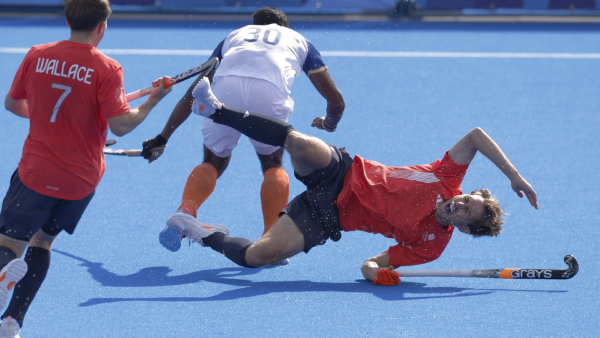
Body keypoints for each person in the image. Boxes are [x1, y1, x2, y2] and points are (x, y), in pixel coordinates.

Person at [164, 78, 539, 286]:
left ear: (465, 228)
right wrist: (514, 176)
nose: (458, 203)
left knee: (255, 258)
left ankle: (197, 230)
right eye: (466, 198)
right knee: (297, 142)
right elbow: (475, 136)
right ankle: (215, 109)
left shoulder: (430, 247)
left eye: (465, 211)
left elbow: (370, 264)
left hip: (329, 216)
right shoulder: (447, 178)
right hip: (342, 170)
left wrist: (379, 276)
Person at [0, 0, 172, 336]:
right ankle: (12, 322)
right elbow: (121, 126)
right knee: (42, 243)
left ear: (67, 19)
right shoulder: (107, 68)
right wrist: (154, 100)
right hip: (80, 182)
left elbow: (13, 103)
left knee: (8, 245)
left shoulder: (37, 54)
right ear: (102, 26)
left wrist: (49, 119)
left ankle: (4, 276)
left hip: (36, 173)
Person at [141, 7, 345, 255]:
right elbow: (336, 102)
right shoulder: (300, 41)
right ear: (286, 27)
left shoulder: (234, 36)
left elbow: (193, 93)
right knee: (272, 162)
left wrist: (163, 137)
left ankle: (186, 211)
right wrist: (328, 124)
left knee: (213, 160)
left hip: (225, 89)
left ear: (254, 25)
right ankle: (271, 237)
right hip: (268, 95)